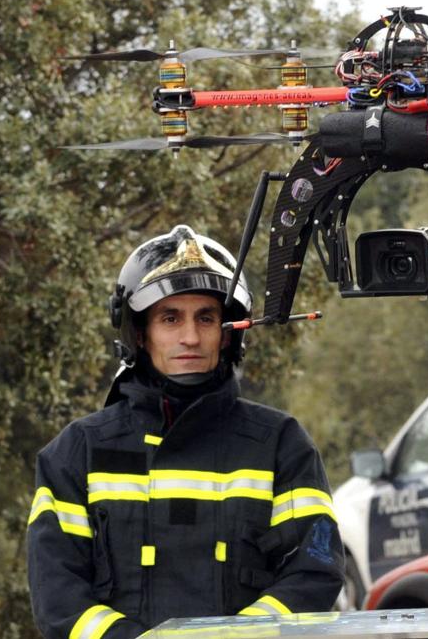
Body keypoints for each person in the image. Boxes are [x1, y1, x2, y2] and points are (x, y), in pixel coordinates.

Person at [27, 225, 343, 639]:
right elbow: (56, 596)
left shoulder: (281, 443)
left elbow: (315, 570)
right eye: (170, 318)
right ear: (139, 333)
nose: (190, 337)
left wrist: (238, 636)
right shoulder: (77, 451)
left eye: (206, 318)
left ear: (229, 332)